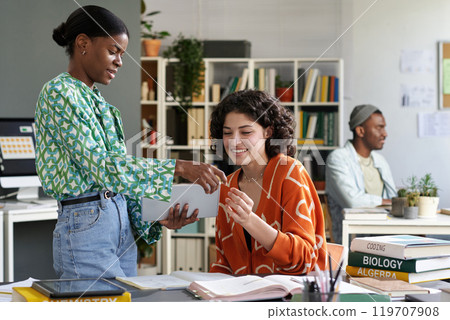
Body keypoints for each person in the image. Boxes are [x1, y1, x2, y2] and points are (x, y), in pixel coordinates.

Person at [34, 5, 226, 279]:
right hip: (87, 222)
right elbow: (102, 166)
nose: (120, 62)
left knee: (125, 304)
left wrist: (156, 215)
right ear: (83, 43)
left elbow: (116, 179)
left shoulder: (99, 102)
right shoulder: (59, 93)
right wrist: (179, 168)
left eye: (121, 54)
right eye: (113, 51)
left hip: (118, 219)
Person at [209, 90, 327, 275]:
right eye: (227, 133)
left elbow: (304, 259)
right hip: (241, 297)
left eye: (246, 132)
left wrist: (250, 221)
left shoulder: (289, 172)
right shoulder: (227, 186)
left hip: (290, 297)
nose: (234, 141)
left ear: (268, 131)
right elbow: (224, 263)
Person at [325, 104, 396, 244]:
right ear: (360, 131)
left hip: (384, 236)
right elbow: (353, 202)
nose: (385, 133)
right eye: (379, 127)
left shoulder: (380, 161)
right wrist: (387, 202)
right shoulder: (338, 158)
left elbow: (393, 198)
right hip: (354, 241)